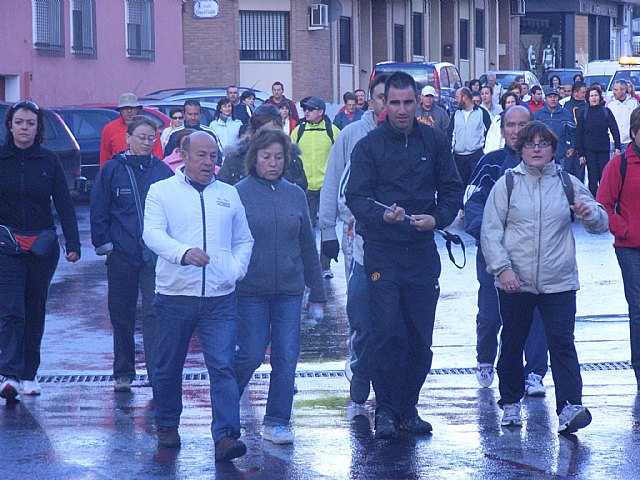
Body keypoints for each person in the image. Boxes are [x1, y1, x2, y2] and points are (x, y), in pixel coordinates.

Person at [346, 71, 463, 439]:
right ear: (382, 103)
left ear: (418, 102)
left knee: (418, 338)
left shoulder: (435, 140)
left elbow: (452, 189)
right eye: (393, 102)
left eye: (407, 102)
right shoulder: (369, 146)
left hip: (422, 253)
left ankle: (408, 408)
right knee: (386, 335)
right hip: (382, 253)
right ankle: (386, 409)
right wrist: (381, 215)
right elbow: (356, 197)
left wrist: (438, 218)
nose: (400, 109)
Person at [481, 121, 608, 433]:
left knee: (562, 345)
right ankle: (511, 402)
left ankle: (570, 407)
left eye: (542, 143)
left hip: (559, 281)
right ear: (520, 149)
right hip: (516, 282)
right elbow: (490, 232)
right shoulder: (507, 184)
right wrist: (503, 269)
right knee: (511, 343)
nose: (536, 148)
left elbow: (600, 221)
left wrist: (589, 214)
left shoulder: (567, 182)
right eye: (529, 144)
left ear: (553, 149)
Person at [143, 131, 254, 460]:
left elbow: (243, 240)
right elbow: (152, 233)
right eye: (202, 155)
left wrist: (233, 270)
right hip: (175, 294)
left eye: (214, 157)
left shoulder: (229, 194)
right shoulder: (161, 191)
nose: (209, 162)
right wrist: (182, 253)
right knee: (167, 366)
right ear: (184, 155)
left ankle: (225, 436)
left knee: (222, 366)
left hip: (220, 298)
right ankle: (166, 424)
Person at [233, 129, 326, 445]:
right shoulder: (238, 194)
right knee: (250, 353)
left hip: (289, 290)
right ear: (254, 159)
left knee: (286, 356)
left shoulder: (295, 194)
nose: (272, 163)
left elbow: (307, 247)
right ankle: (225, 411)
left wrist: (318, 292)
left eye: (278, 157)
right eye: (265, 157)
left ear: (286, 160)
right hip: (250, 290)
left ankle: (277, 421)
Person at [465, 106, 550, 395]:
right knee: (490, 314)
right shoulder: (489, 163)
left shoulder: (545, 164)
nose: (516, 130)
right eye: (510, 125)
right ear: (502, 131)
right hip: (493, 254)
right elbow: (472, 203)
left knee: (535, 316)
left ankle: (535, 372)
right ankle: (485, 357)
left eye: (522, 124)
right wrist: (484, 233)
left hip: (532, 255)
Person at [0, 100, 81, 402]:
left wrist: (73, 244)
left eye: (30, 123)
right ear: (10, 125)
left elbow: (63, 203)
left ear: (38, 128)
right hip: (5, 245)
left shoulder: (49, 161)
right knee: (11, 309)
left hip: (41, 247)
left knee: (34, 310)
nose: (24, 128)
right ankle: (8, 375)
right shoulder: (1, 158)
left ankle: (28, 374)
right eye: (19, 122)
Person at [318, 73, 388, 406]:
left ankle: (390, 376)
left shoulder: (414, 136)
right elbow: (333, 181)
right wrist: (326, 229)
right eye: (381, 98)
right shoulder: (351, 135)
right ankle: (358, 356)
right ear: (370, 100)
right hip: (356, 231)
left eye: (396, 99)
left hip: (399, 235)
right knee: (360, 298)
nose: (388, 105)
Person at [90, 115, 173, 392]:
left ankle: (155, 371)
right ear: (128, 138)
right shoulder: (112, 170)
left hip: (154, 256)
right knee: (121, 314)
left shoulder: (162, 171)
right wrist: (105, 245)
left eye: (152, 138)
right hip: (121, 254)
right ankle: (123, 372)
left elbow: (175, 212)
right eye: (141, 137)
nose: (147, 142)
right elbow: (99, 209)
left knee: (154, 313)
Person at [597, 107, 640, 389]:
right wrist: (623, 229)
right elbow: (602, 205)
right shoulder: (620, 164)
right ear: (634, 133)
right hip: (630, 248)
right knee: (638, 309)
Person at [291, 97, 341, 278]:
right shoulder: (299, 130)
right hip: (305, 187)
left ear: (321, 111)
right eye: (305, 109)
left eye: (310, 109)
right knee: (306, 230)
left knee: (327, 227)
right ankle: (309, 265)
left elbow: (342, 155)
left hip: (327, 187)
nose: (306, 112)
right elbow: (290, 155)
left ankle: (325, 266)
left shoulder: (332, 130)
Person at [219, 104, 307, 191]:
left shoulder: (292, 159)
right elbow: (223, 191)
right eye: (266, 132)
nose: (271, 136)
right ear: (255, 131)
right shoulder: (235, 159)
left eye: (275, 131)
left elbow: (300, 189)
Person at [576, 86, 621, 197]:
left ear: (600, 97)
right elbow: (579, 133)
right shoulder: (583, 112)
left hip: (603, 148)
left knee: (604, 176)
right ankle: (593, 201)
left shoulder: (606, 111)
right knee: (592, 177)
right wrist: (581, 154)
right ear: (588, 98)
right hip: (589, 149)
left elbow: (614, 129)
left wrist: (617, 146)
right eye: (591, 96)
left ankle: (604, 199)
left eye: (596, 95)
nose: (594, 98)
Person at [100, 93, 163, 167]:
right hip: (119, 172)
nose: (129, 111)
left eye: (132, 108)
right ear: (120, 110)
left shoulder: (150, 128)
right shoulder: (109, 128)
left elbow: (158, 155)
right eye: (125, 108)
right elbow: (105, 156)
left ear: (137, 109)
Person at [449, 87, 491, 187]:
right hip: (459, 158)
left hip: (475, 156)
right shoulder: (456, 114)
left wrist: (484, 149)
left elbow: (489, 132)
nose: (456, 100)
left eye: (457, 97)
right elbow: (450, 133)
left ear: (464, 97)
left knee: (474, 185)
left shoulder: (482, 112)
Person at [534, 87, 576, 172]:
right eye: (550, 97)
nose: (553, 99)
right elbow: (532, 132)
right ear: (545, 99)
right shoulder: (538, 114)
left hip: (561, 153)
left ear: (558, 98)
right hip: (543, 152)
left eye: (555, 97)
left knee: (561, 176)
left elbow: (573, 132)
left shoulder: (566, 113)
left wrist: (572, 147)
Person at [606, 80, 639, 154]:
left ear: (623, 90)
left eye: (616, 90)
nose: (613, 92)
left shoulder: (634, 103)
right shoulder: (610, 104)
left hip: (628, 141)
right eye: (613, 89)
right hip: (613, 141)